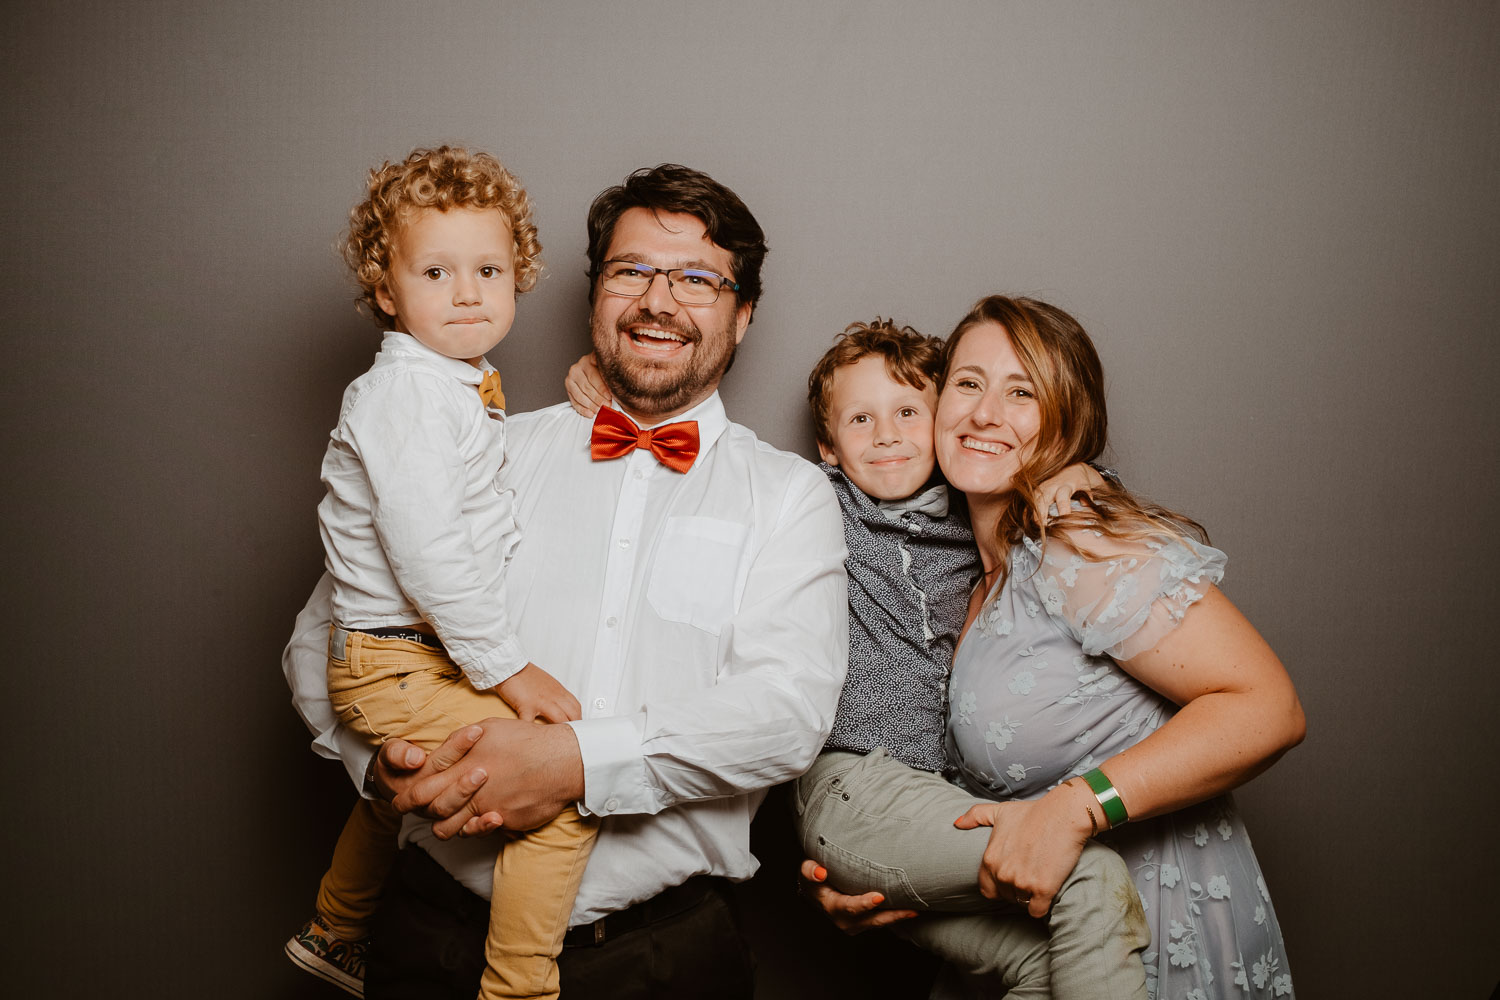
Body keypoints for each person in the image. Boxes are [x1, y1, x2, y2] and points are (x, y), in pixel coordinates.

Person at [284, 163, 848, 999]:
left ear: (744, 310)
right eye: (631, 271)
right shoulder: (487, 444)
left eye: (697, 278)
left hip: (666, 961)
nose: (659, 301)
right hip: (433, 942)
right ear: (594, 295)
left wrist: (575, 762)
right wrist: (384, 768)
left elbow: (785, 715)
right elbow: (328, 630)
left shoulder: (789, 496)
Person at [566, 319, 1149, 998]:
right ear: (829, 447)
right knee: (1091, 877)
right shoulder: (817, 505)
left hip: (936, 807)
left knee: (1038, 960)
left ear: (941, 426)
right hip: (855, 789)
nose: (887, 435)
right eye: (861, 419)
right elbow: (708, 469)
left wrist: (1079, 471)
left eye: (908, 413)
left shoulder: (980, 513)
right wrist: (606, 381)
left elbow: (1052, 477)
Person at [809, 295, 1306, 999]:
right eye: (969, 383)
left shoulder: (1079, 539)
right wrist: (882, 876)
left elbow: (1268, 709)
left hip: (1150, 926)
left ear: (1065, 422)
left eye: (1022, 393)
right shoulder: (953, 582)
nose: (985, 414)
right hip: (1025, 931)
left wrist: (1079, 806)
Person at [285, 145, 596, 1000]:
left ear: (519, 278)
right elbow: (426, 554)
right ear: (387, 292)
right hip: (396, 657)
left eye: (488, 269)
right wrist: (506, 667)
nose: (467, 292)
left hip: (403, 652)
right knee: (564, 801)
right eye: (436, 270)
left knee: (398, 793)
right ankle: (519, 989)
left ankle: (335, 929)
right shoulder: (407, 397)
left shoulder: (452, 387)